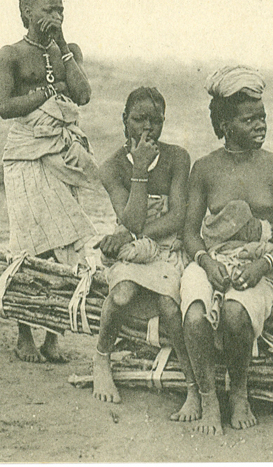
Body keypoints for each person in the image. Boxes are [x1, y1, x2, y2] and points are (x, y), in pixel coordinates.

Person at [181, 65, 273, 435]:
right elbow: (190, 233)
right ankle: (207, 397)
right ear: (224, 125)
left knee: (235, 314)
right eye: (249, 119)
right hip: (210, 261)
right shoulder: (204, 169)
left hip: (259, 266)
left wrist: (263, 265)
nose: (260, 125)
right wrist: (204, 262)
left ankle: (239, 393)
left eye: (262, 117)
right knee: (195, 316)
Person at [0, 0, 95, 363]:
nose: (55, 17)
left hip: (60, 154)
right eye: (48, 10)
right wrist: (46, 94)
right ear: (26, 14)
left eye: (60, 11)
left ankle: (54, 336)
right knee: (28, 245)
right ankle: (23, 334)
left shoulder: (67, 53)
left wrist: (64, 45)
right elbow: (4, 106)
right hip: (24, 156)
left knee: (65, 246)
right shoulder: (11, 55)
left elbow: (83, 95)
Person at [93, 87, 200, 421]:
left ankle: (193, 388)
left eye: (156, 121)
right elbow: (132, 218)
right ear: (124, 120)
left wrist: (130, 233)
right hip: (132, 249)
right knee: (122, 293)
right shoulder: (111, 167)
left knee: (170, 306)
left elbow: (178, 218)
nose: (147, 128)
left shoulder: (177, 158)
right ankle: (101, 358)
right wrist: (139, 169)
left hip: (167, 248)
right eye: (139, 119)